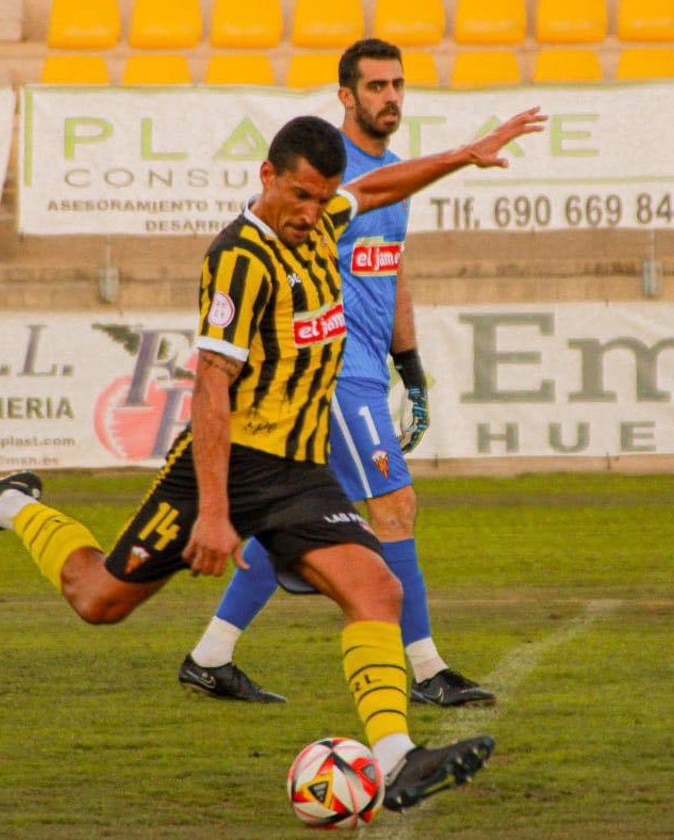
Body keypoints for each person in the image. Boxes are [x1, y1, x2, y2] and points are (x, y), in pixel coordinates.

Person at [0, 107, 545, 813]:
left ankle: (397, 758)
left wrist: (466, 155)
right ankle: (10, 501)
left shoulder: (324, 221)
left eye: (323, 199)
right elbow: (212, 384)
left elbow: (379, 189)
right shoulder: (238, 260)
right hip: (221, 469)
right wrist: (217, 515)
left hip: (298, 471)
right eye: (301, 196)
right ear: (267, 177)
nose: (313, 213)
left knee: (376, 588)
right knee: (97, 600)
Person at [180, 39, 494, 709]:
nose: (391, 97)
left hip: (368, 367)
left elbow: (391, 268)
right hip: (332, 374)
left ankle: (210, 656)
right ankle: (427, 668)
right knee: (393, 506)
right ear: (346, 96)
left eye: (398, 85)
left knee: (298, 518)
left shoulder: (395, 175)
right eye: (376, 86)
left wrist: (408, 365)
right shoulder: (319, 177)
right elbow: (264, 246)